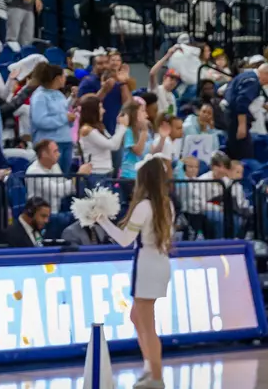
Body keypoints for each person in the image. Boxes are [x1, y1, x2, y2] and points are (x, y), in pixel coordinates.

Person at [95, 155, 176, 388]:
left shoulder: (144, 206)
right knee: (136, 317)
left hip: (147, 265)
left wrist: (102, 220)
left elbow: (124, 240)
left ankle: (157, 377)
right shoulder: (167, 204)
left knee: (148, 324)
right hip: (161, 262)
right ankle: (149, 368)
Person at [221, 61, 268, 161]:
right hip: (236, 120)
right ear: (266, 74)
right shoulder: (253, 81)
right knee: (244, 156)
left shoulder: (244, 75)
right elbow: (241, 102)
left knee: (233, 152)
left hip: (230, 116)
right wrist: (242, 125)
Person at [28, 64, 75, 173]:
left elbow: (64, 112)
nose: (65, 79)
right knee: (52, 180)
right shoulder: (39, 96)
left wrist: (70, 116)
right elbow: (40, 121)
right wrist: (65, 118)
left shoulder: (59, 94)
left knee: (65, 179)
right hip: (50, 145)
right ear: (58, 78)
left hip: (66, 141)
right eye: (64, 76)